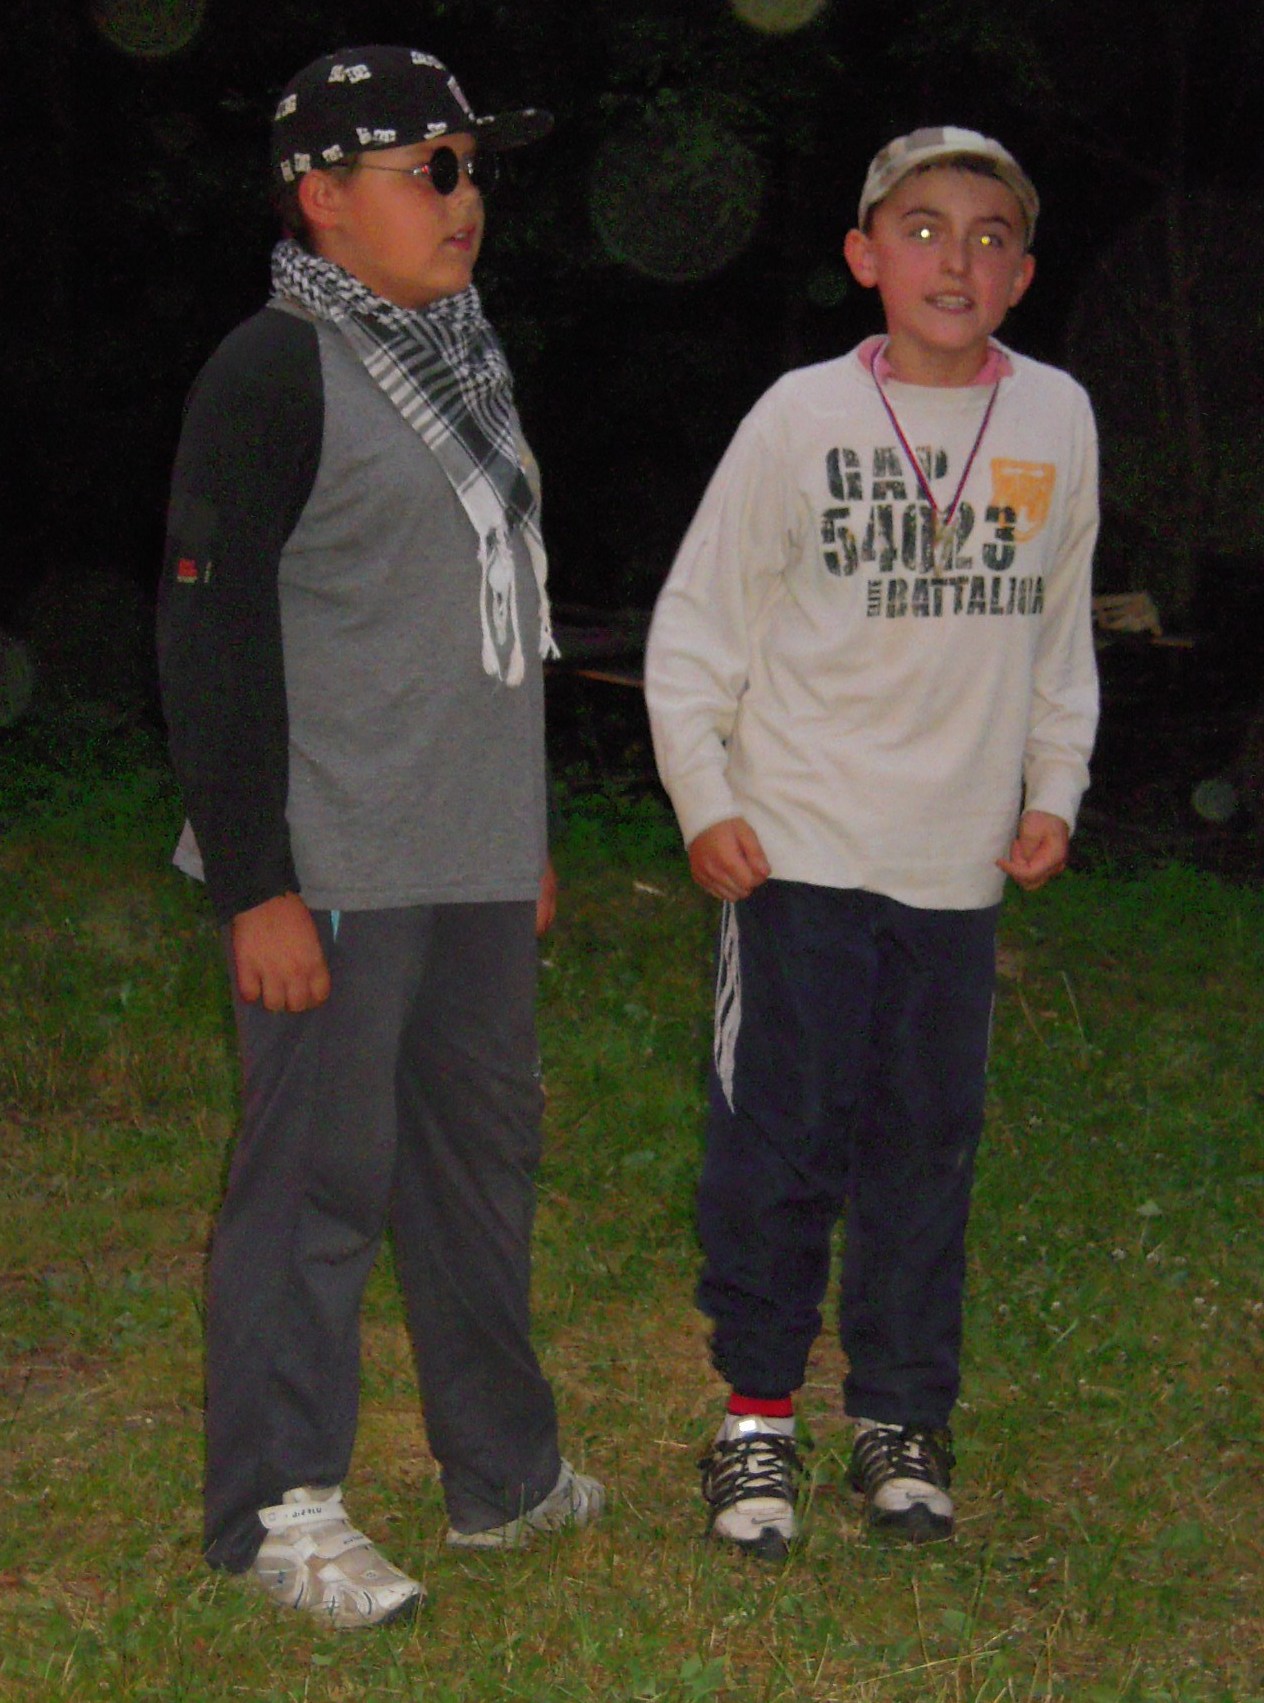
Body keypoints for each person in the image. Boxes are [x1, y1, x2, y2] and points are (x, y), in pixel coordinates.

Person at [157, 45, 603, 1628]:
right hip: (334, 862)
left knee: (480, 1172)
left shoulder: (462, 360)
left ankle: (505, 1475)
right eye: (434, 170)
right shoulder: (273, 372)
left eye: (473, 169)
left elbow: (489, 627)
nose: (466, 198)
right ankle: (280, 1512)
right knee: (316, 1190)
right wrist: (257, 885)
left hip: (466, 856)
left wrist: (517, 832)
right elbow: (206, 640)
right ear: (326, 198)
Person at [644, 127, 1098, 1555]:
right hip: (800, 849)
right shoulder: (800, 416)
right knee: (780, 1142)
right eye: (922, 228)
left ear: (1022, 275)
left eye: (987, 236)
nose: (955, 259)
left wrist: (1053, 783)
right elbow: (698, 626)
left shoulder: (1057, 418)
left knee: (925, 1146)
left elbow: (1061, 628)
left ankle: (901, 1417)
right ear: (865, 256)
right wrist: (709, 801)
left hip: (954, 863)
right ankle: (757, 1417)